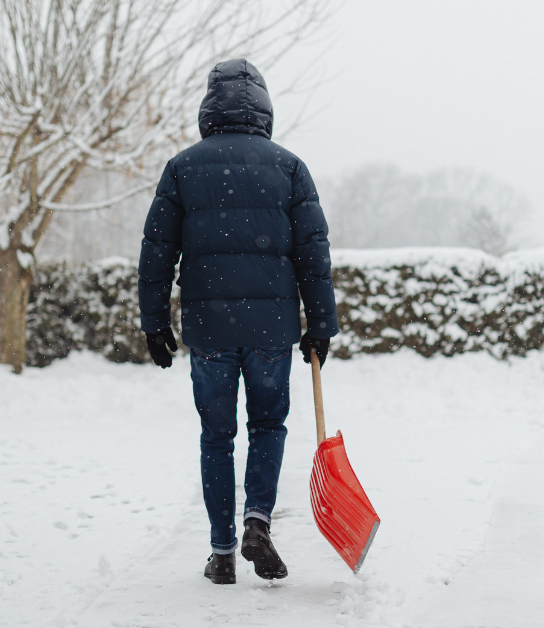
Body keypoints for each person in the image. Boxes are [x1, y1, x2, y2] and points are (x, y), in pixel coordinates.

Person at [137, 58, 338, 585]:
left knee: (216, 437)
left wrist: (154, 322)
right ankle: (257, 521)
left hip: (210, 329)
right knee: (268, 425)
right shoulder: (290, 167)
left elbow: (157, 253)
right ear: (265, 108)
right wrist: (320, 324)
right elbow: (313, 255)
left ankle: (223, 552)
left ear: (208, 106)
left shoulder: (182, 168)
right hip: (271, 328)